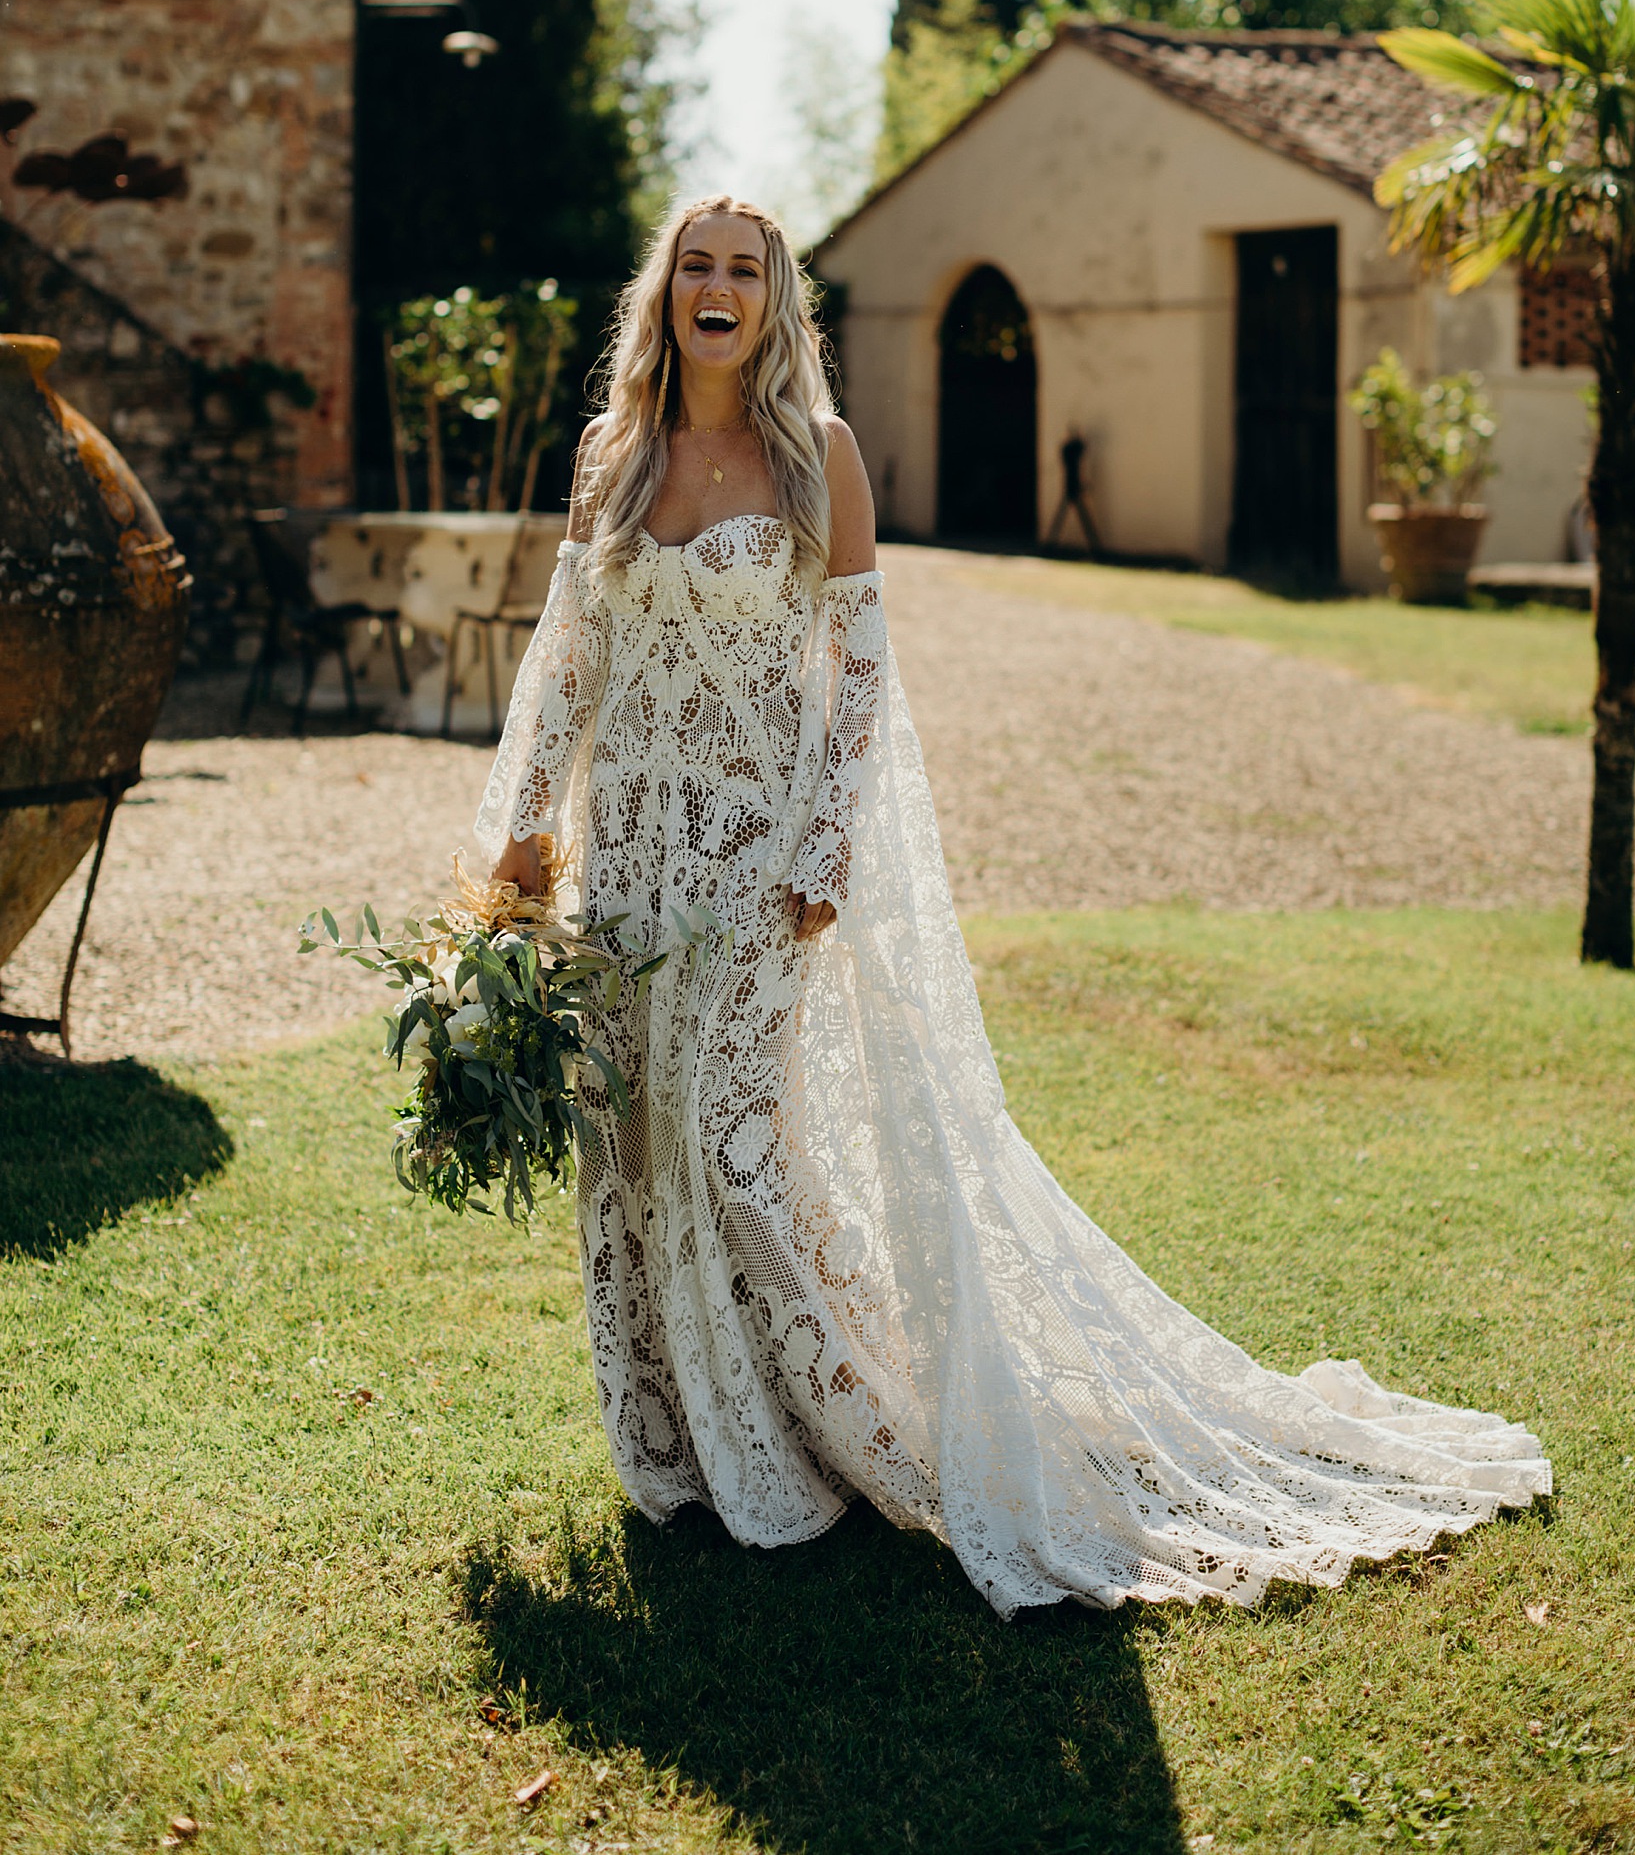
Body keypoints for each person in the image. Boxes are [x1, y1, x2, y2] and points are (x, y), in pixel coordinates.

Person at [477, 194, 1549, 1617]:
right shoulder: (612, 459)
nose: (719, 287)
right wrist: (518, 842)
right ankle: (682, 1447)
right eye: (698, 266)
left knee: (735, 1142)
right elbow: (565, 665)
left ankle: (858, 1429)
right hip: (628, 875)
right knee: (632, 1141)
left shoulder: (820, 455)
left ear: (776, 302)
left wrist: (820, 859)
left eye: (747, 268)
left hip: (752, 871)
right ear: (664, 295)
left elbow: (858, 678)